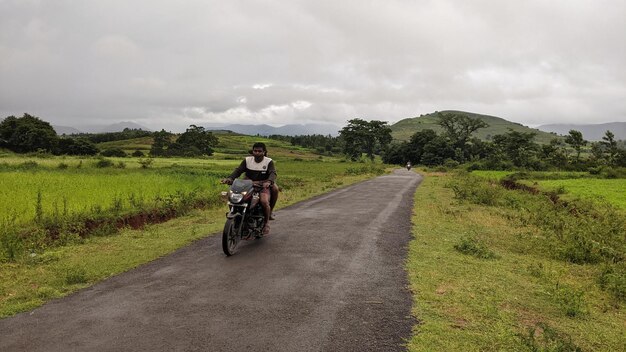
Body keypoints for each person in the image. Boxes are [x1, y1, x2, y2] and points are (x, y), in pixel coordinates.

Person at [221, 142, 278, 235]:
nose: (257, 153)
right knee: (235, 198)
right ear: (252, 151)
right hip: (247, 184)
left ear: (264, 152)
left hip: (262, 185)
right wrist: (230, 178)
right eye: (255, 151)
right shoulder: (247, 160)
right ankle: (240, 219)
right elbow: (238, 170)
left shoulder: (268, 161)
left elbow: (272, 173)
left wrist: (268, 182)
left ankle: (266, 223)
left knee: (264, 201)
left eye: (260, 151)